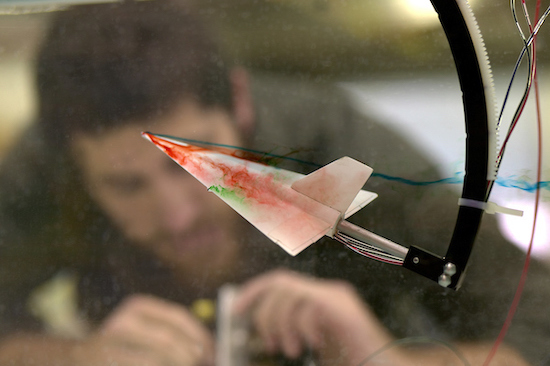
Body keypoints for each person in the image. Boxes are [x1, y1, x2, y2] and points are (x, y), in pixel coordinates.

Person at [0, 1, 548, 365]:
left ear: (239, 105)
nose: (175, 216)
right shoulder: (45, 165)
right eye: (125, 186)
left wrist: (382, 358)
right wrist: (74, 357)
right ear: (70, 163)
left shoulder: (347, 157)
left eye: (192, 167)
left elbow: (532, 321)